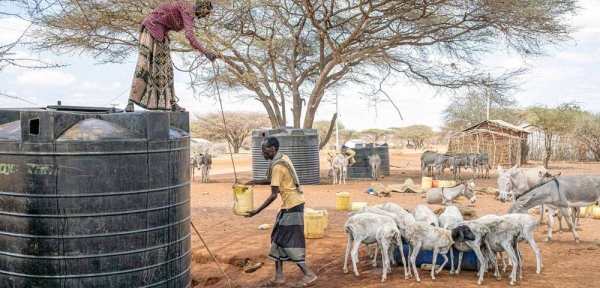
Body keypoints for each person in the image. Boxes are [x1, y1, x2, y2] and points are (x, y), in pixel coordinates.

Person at [245, 137, 318, 287]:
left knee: (285, 240)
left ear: (272, 149)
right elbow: (274, 180)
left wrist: (256, 211)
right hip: (290, 204)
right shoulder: (282, 158)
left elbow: (273, 194)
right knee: (277, 238)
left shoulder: (277, 166)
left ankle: (309, 274)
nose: (262, 153)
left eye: (264, 150)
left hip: (293, 205)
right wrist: (255, 181)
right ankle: (279, 277)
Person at [126, 0, 217, 113]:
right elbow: (189, 34)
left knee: (167, 69)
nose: (204, 16)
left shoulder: (186, 8)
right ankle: (131, 101)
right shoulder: (188, 10)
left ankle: (172, 102)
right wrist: (205, 52)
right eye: (206, 13)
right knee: (144, 64)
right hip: (151, 29)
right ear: (201, 9)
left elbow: (163, 18)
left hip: (159, 32)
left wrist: (166, 33)